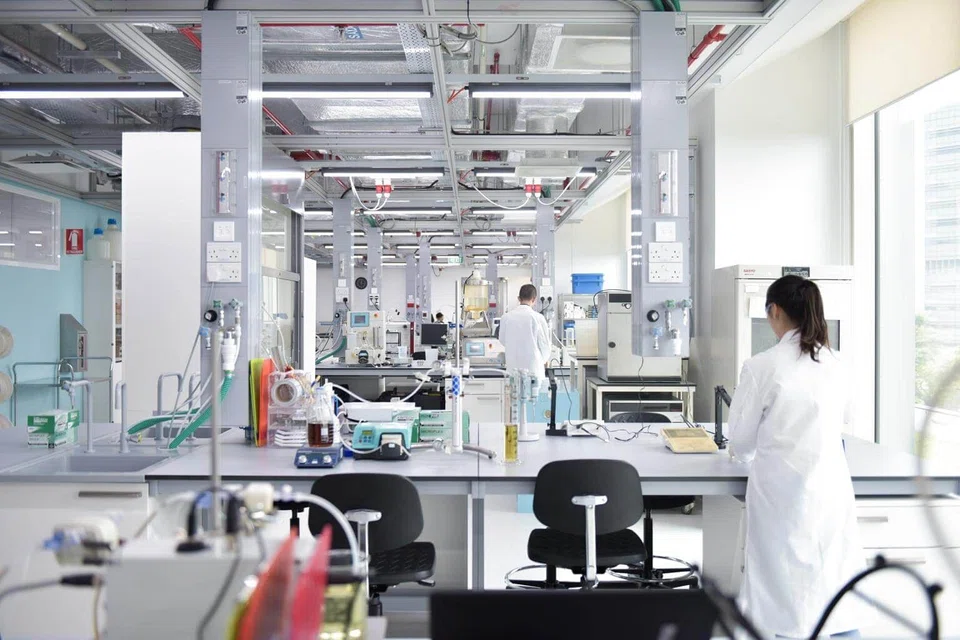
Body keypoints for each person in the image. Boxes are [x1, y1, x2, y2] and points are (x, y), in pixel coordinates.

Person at [727, 275, 863, 639]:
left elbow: (741, 443)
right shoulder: (837, 363)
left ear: (774, 310)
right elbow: (846, 417)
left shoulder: (762, 365)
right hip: (831, 488)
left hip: (782, 494)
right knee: (831, 583)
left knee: (782, 597)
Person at [497, 284, 550, 379]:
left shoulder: (506, 317)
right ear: (534, 299)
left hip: (513, 369)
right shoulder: (538, 318)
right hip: (534, 370)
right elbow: (545, 346)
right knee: (534, 389)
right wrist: (542, 360)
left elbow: (502, 340)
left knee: (514, 388)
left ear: (519, 298)